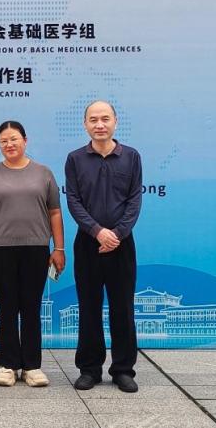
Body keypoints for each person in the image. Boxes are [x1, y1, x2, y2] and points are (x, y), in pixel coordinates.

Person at [0, 121, 65, 387]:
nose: (9, 144)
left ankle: (32, 366)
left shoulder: (43, 173)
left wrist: (58, 248)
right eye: (3, 141)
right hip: (1, 250)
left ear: (25, 140)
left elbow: (55, 212)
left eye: (14, 139)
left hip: (36, 249)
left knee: (31, 308)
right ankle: (7, 365)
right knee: (7, 308)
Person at [65, 100, 143, 394]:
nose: (100, 124)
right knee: (89, 308)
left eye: (105, 119)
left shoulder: (131, 157)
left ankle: (123, 370)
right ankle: (89, 369)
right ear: (85, 124)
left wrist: (117, 234)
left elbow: (134, 200)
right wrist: (98, 232)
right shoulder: (75, 159)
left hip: (122, 245)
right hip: (88, 243)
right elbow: (73, 201)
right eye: (93, 119)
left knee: (123, 308)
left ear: (115, 122)